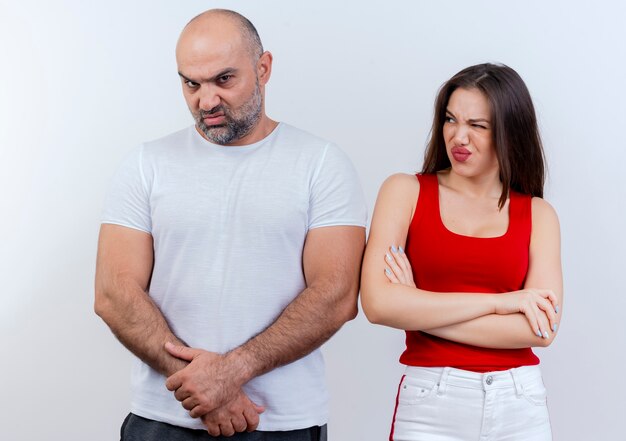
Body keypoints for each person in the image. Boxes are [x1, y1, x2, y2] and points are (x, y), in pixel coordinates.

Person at [94, 9, 366, 441]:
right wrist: (201, 385)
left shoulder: (321, 164)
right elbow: (114, 294)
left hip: (281, 421)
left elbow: (336, 295)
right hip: (163, 419)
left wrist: (232, 372)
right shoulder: (146, 164)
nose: (206, 101)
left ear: (263, 68)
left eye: (224, 79)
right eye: (191, 83)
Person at [360, 63, 562, 441]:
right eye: (451, 119)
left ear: (509, 132)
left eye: (478, 125)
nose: (459, 136)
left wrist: (417, 306)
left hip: (519, 402)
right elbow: (377, 304)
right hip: (430, 401)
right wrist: (502, 303)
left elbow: (540, 328)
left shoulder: (539, 214)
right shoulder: (404, 192)